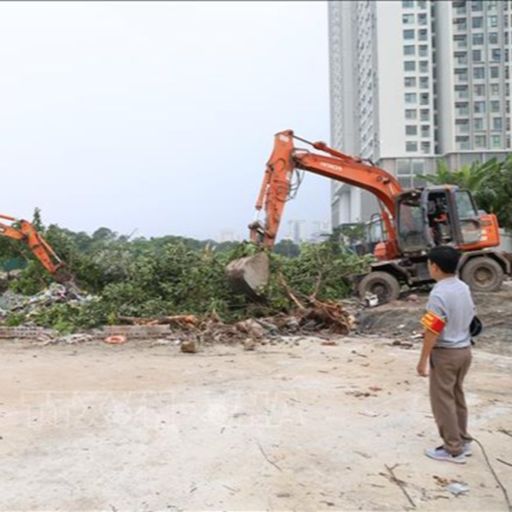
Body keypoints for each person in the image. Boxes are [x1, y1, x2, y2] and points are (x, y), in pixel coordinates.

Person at [417, 246, 475, 464]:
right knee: (457, 396)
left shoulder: (438, 294)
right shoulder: (463, 287)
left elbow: (432, 330)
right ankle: (463, 439)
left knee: (443, 402)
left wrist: (423, 360)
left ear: (435, 267)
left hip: (446, 353)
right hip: (464, 350)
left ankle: (453, 448)